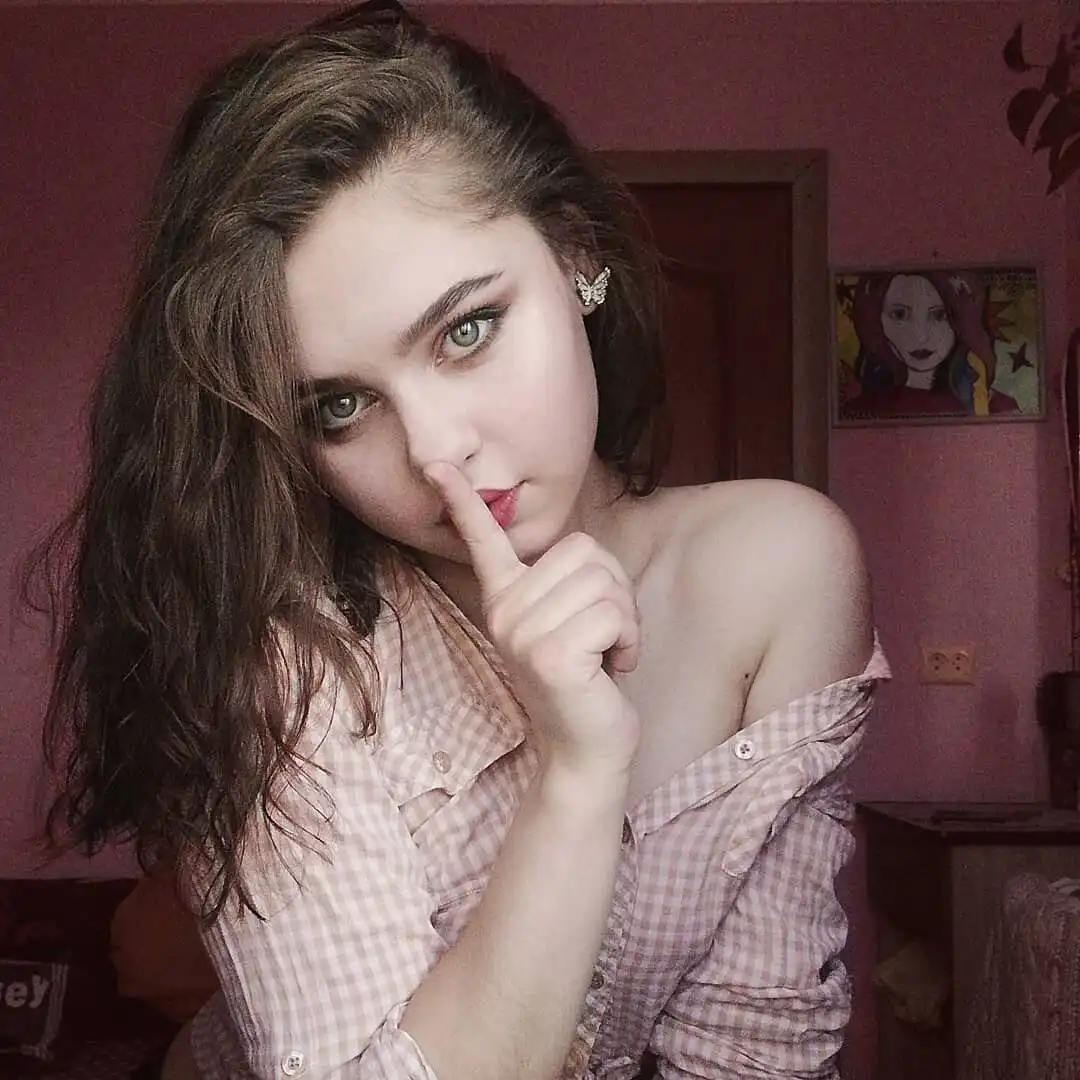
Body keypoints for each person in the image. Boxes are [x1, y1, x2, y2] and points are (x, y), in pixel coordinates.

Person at [35, 4, 887, 1078]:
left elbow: (754, 1049)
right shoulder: (286, 655)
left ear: (575, 252)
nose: (438, 453)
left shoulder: (779, 568)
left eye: (467, 330)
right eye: (340, 407)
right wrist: (575, 774)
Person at [841, 270, 1018, 419]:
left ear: (962, 320)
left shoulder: (999, 409)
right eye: (900, 315)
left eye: (939, 315)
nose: (921, 336)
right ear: (876, 321)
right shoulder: (859, 413)